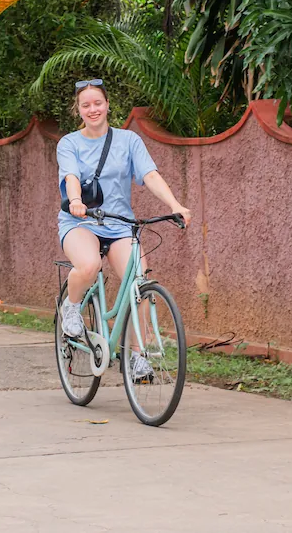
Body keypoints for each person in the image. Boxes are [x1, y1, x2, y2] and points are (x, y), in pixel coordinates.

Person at [56, 78, 191, 380]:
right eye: (86, 105)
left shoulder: (129, 141)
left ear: (107, 105)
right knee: (89, 265)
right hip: (81, 221)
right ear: (78, 110)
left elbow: (150, 175)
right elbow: (71, 178)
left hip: (119, 225)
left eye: (98, 103)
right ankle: (72, 307)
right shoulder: (69, 143)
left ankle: (137, 357)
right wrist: (76, 200)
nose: (93, 109)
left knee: (140, 285)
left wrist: (175, 204)